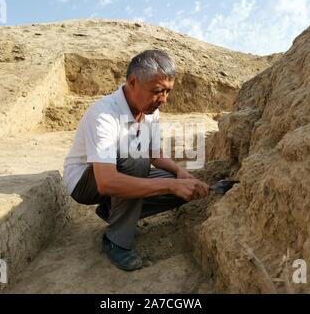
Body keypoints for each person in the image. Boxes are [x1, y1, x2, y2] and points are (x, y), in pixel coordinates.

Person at [62, 50, 210, 271]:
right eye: (157, 91)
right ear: (132, 82)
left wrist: (179, 174)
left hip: (117, 174)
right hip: (85, 183)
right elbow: (106, 182)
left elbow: (155, 154)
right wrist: (170, 184)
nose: (163, 100)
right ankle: (116, 241)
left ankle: (112, 210)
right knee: (137, 160)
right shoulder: (104, 114)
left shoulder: (150, 111)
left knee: (181, 186)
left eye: (168, 92)